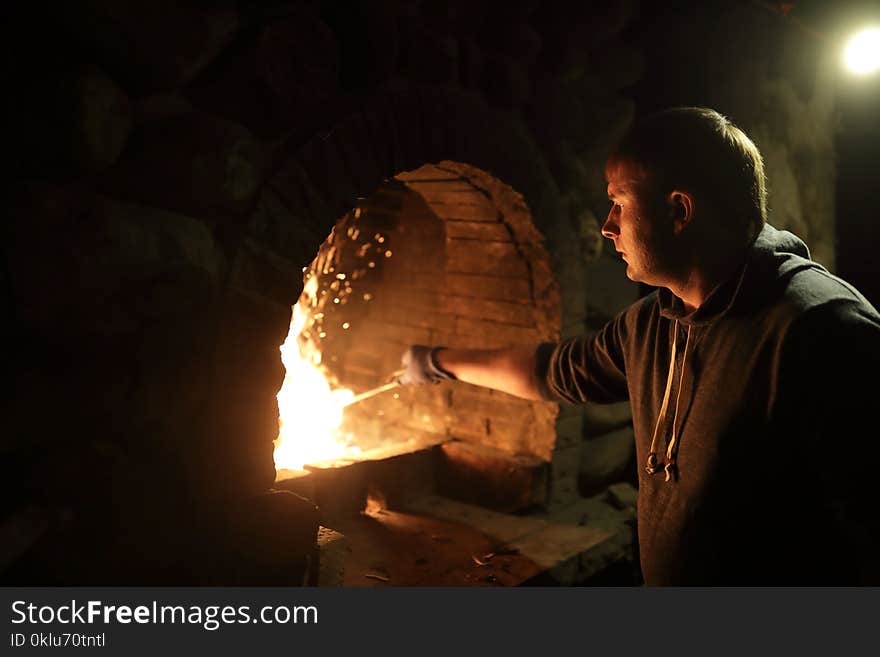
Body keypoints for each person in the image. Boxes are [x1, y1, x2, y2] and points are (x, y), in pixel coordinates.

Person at [398, 107, 880, 585]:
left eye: (619, 203)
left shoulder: (821, 329)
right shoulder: (654, 321)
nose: (607, 226)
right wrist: (436, 362)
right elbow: (554, 371)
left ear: (678, 210)